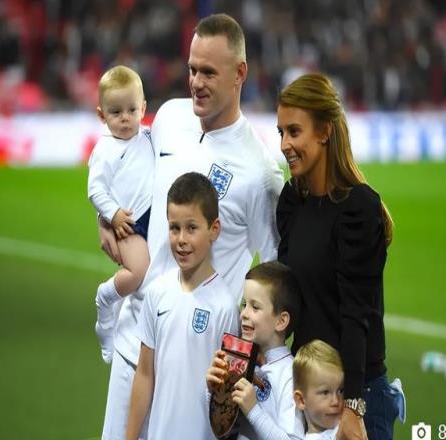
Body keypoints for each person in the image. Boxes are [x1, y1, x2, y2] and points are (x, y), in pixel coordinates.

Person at [98, 13, 284, 440]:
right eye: (192, 69)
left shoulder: (259, 174)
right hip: (135, 344)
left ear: (240, 74)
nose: (196, 82)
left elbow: (274, 274)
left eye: (209, 73)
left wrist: (251, 362)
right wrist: (104, 216)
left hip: (198, 372)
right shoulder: (169, 118)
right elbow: (131, 175)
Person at [276, 72, 405, 440]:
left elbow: (355, 314)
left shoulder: (358, 207)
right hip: (307, 398)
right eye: (280, 132)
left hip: (355, 401)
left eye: (294, 131)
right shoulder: (292, 201)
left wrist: (352, 405)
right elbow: (288, 301)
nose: (284, 144)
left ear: (324, 131)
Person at [125, 172, 240, 440]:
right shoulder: (157, 293)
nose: (181, 239)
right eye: (174, 228)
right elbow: (144, 375)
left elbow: (226, 397)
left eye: (191, 228)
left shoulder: (225, 307)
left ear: (214, 229)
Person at [87, 65, 153, 364]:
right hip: (129, 223)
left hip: (156, 218)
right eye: (116, 112)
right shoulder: (105, 150)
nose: (125, 118)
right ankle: (106, 298)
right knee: (138, 273)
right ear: (102, 115)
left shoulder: (150, 137)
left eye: (131, 110)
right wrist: (112, 216)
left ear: (143, 109)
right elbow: (95, 190)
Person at [206, 261, 305, 440]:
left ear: (281, 321)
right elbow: (223, 432)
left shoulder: (290, 374)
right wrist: (214, 392)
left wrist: (253, 411)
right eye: (244, 304)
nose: (244, 313)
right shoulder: (239, 363)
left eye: (255, 307)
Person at [292, 339, 345, 440]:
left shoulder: (348, 426)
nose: (336, 401)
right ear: (301, 400)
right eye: (325, 392)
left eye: (341, 391)